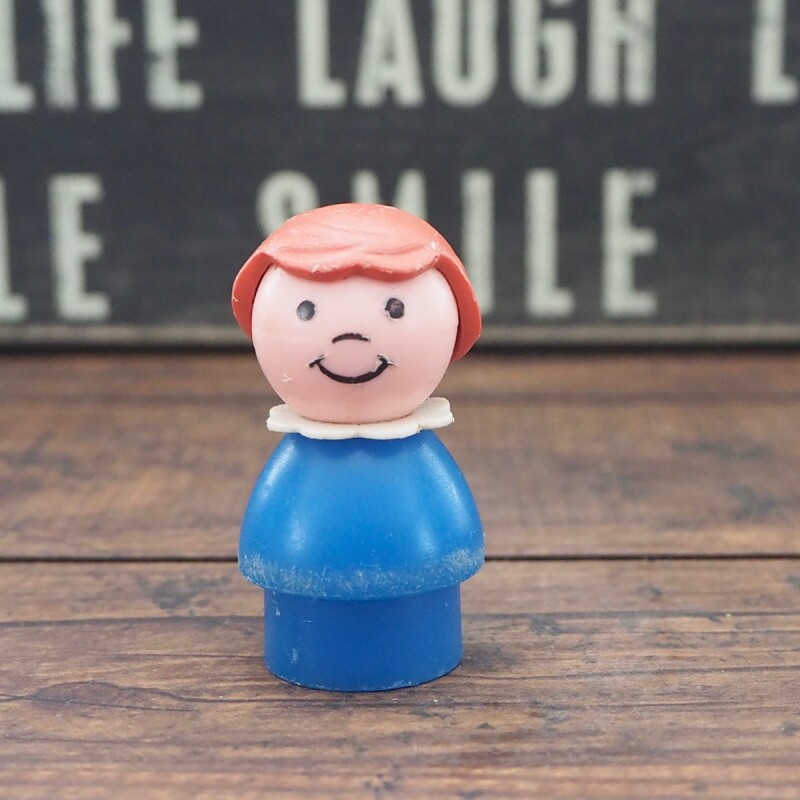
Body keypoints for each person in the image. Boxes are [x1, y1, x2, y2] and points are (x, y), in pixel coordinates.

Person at [232, 203, 484, 691]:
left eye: (395, 309)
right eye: (306, 311)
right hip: (301, 633)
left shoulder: (420, 465)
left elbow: (451, 539)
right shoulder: (297, 468)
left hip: (423, 625)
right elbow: (273, 542)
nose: (351, 339)